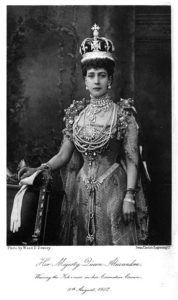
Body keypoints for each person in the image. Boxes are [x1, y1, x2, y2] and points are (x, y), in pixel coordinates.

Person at [18, 24, 149, 245]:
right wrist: (41, 169)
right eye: (91, 76)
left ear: (110, 80)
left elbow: (131, 158)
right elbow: (63, 156)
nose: (96, 81)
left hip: (115, 190)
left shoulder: (123, 115)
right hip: (80, 192)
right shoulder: (75, 114)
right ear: (85, 81)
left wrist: (129, 196)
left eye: (102, 75)